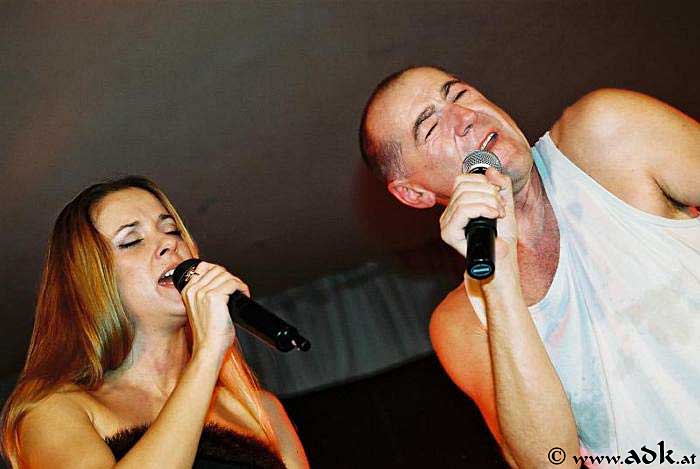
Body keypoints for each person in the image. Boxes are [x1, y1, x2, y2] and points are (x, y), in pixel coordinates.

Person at [360, 66, 700, 468]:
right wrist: (498, 278)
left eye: (460, 94)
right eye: (431, 127)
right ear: (413, 193)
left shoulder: (606, 131)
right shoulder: (462, 323)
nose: (465, 116)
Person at [0, 176, 308, 468]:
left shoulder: (259, 410)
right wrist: (207, 354)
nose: (168, 244)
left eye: (172, 231)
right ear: (91, 284)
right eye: (132, 240)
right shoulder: (56, 410)